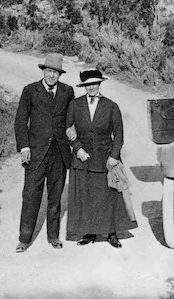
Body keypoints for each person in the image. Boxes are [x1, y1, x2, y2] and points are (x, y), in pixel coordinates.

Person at [65, 68, 137, 248]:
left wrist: (114, 156)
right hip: (82, 159)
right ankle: (89, 232)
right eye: (88, 85)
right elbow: (68, 130)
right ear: (84, 86)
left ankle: (111, 233)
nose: (91, 87)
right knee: (86, 195)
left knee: (108, 196)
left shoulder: (112, 106)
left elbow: (118, 134)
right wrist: (77, 149)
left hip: (105, 158)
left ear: (100, 84)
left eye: (95, 84)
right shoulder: (75, 105)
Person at [14, 53, 75, 252]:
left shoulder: (67, 91)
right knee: (31, 195)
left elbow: (71, 118)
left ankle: (53, 236)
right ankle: (24, 239)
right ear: (43, 71)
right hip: (35, 153)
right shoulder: (30, 90)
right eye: (49, 71)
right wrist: (24, 147)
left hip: (59, 152)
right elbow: (20, 121)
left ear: (60, 74)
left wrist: (71, 128)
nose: (51, 76)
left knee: (55, 196)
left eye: (55, 72)